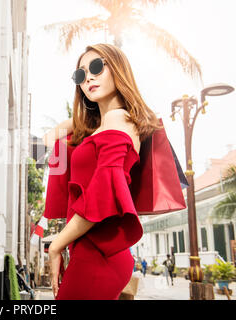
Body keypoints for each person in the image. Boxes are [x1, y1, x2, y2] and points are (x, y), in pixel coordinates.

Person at [43, 43, 163, 300]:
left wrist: (56, 245)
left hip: (98, 253)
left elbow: (103, 192)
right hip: (92, 248)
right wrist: (83, 120)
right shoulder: (103, 125)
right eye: (80, 75)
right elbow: (49, 138)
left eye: (97, 66)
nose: (89, 78)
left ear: (118, 68)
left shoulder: (119, 119)